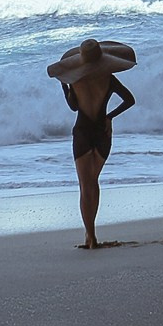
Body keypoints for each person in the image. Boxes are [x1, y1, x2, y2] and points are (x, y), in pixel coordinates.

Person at [60, 37, 134, 249]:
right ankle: (91, 235)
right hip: (102, 132)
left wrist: (65, 88)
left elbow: (74, 107)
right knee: (94, 182)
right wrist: (109, 117)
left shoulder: (76, 79)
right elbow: (130, 100)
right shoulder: (108, 78)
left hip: (82, 132)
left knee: (85, 186)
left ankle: (90, 237)